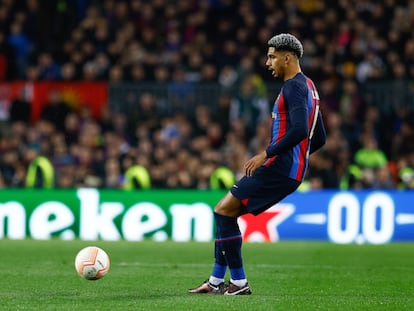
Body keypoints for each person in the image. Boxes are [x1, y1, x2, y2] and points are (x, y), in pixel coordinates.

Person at [188, 33, 326, 295]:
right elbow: (318, 137)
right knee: (225, 213)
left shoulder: (293, 87)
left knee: (223, 211)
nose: (267, 62)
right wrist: (299, 160)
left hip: (279, 167)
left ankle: (238, 282)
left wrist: (267, 154)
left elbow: (298, 130)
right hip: (288, 169)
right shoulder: (309, 86)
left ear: (288, 58)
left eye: (272, 56)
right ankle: (216, 281)